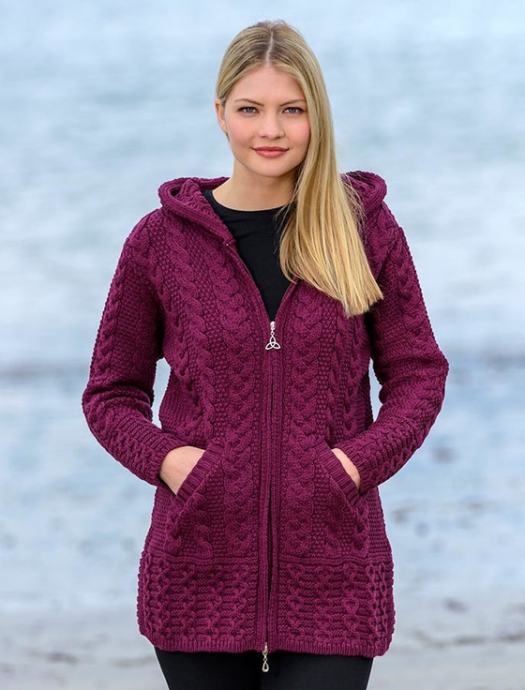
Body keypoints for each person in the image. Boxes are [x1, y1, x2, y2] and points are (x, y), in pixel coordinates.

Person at [81, 18, 449, 690]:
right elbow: (111, 393)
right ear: (220, 112)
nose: (270, 130)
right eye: (250, 109)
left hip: (335, 570)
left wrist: (351, 467)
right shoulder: (160, 243)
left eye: (291, 110)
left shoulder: (363, 231)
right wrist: (174, 463)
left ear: (316, 116)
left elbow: (418, 374)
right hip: (197, 570)